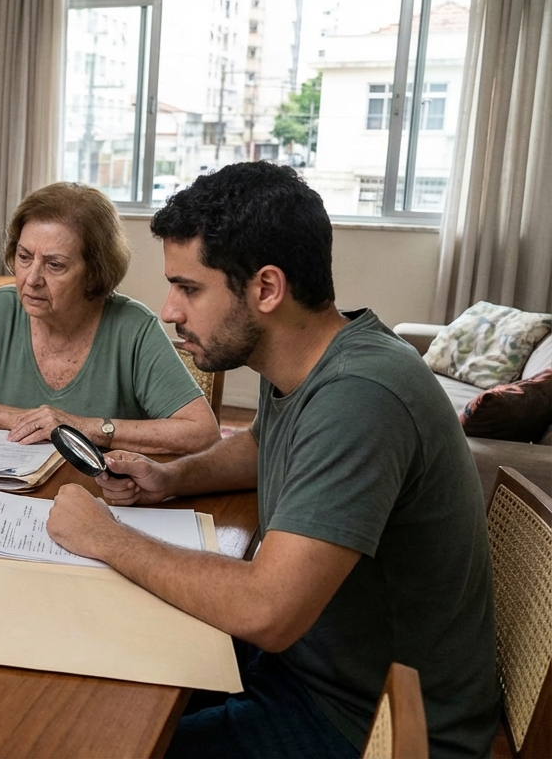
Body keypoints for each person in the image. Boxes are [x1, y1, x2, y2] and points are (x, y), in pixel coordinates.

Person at [45, 162, 499, 757]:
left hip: (371, 723)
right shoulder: (305, 354)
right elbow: (263, 447)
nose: (170, 310)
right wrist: (170, 477)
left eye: (189, 287)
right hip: (309, 670)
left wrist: (107, 538)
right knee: (91, 684)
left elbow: (267, 609)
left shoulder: (361, 396)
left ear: (265, 288)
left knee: (93, 738)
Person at [0, 182, 219, 454]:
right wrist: (21, 419)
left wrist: (81, 427)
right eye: (24, 257)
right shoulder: (0, 310)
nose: (31, 279)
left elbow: (202, 433)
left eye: (54, 265)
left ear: (94, 273)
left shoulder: (133, 327)